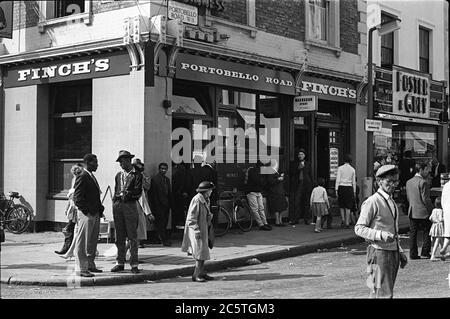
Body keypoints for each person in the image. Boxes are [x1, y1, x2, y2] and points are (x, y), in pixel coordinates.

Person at [355, 165, 408, 298]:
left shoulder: (391, 201)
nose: (393, 185)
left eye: (395, 181)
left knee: (380, 292)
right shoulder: (372, 201)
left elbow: (392, 229)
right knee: (383, 293)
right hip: (378, 253)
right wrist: (381, 235)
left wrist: (399, 250)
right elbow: (359, 228)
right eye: (389, 181)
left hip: (392, 252)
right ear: (379, 182)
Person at [73, 154, 105, 277]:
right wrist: (87, 211)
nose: (97, 164)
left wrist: (99, 209)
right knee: (83, 242)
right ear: (88, 163)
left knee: (92, 241)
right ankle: (81, 268)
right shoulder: (82, 176)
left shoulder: (91, 176)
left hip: (94, 213)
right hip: (87, 214)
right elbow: (77, 198)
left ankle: (90, 265)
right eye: (95, 162)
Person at [111, 150, 143, 274]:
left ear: (129, 161)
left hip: (130, 206)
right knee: (119, 236)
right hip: (118, 205)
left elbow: (138, 192)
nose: (121, 164)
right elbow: (115, 190)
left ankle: (134, 264)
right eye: (120, 162)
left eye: (122, 161)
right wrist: (115, 200)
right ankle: (119, 262)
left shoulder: (137, 175)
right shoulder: (118, 175)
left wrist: (127, 194)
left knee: (132, 237)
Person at [181, 181, 215, 283]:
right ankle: (196, 275)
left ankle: (202, 272)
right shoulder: (197, 200)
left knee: (203, 252)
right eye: (210, 190)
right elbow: (191, 218)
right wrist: (196, 230)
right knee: (200, 254)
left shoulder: (206, 199)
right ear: (206, 191)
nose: (211, 192)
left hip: (203, 229)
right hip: (197, 230)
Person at [405, 162, 433, 259]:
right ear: (420, 170)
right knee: (427, 232)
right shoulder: (423, 182)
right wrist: (432, 209)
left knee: (413, 233)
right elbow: (426, 199)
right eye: (426, 170)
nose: (428, 172)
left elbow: (408, 198)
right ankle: (425, 252)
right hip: (423, 211)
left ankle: (412, 253)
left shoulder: (409, 182)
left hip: (413, 211)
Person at [55, 163, 84, 255]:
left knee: (70, 229)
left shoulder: (81, 179)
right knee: (73, 229)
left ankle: (67, 249)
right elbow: (71, 196)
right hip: (72, 208)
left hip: (77, 208)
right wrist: (67, 206)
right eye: (74, 173)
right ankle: (68, 249)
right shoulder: (74, 180)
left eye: (76, 173)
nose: (75, 175)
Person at [149, 162, 173, 246]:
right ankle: (163, 239)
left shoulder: (167, 179)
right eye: (162, 169)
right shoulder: (155, 179)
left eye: (165, 169)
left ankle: (160, 238)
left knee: (165, 222)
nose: (164, 170)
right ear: (159, 169)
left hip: (166, 204)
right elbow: (153, 194)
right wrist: (155, 205)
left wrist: (170, 203)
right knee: (160, 223)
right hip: (158, 205)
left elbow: (169, 192)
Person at [132, 158, 153, 248]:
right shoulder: (133, 177)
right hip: (134, 204)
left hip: (140, 204)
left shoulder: (143, 176)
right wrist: (149, 213)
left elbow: (147, 186)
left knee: (139, 227)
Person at [245, 161, 272, 231]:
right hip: (252, 192)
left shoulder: (257, 171)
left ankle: (264, 223)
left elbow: (261, 181)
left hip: (257, 191)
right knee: (256, 209)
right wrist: (263, 181)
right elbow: (259, 181)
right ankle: (261, 224)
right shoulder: (253, 171)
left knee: (260, 208)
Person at [290, 149, 313, 225]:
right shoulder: (295, 163)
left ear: (304, 155)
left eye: (302, 154)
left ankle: (307, 219)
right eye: (299, 154)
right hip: (298, 184)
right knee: (297, 202)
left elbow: (310, 174)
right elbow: (292, 173)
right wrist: (299, 168)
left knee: (306, 202)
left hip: (306, 184)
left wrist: (312, 185)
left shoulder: (308, 163)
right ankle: (296, 219)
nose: (300, 156)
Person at [335, 154, 356, 229]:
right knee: (348, 206)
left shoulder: (340, 168)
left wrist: (336, 189)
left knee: (341, 205)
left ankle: (343, 220)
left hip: (341, 187)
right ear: (350, 161)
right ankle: (347, 222)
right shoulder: (352, 169)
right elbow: (354, 182)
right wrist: (354, 191)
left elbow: (338, 179)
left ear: (343, 160)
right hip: (349, 188)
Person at [264, 159, 287, 226]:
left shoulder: (278, 171)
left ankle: (281, 220)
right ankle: (277, 221)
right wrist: (278, 179)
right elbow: (270, 181)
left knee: (281, 206)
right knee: (276, 206)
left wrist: (282, 177)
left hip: (280, 191)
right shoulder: (269, 171)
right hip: (273, 191)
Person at [172, 162, 191, 229]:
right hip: (176, 191)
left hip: (178, 191)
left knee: (178, 208)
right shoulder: (177, 168)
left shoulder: (181, 169)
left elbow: (183, 180)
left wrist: (182, 190)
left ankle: (177, 222)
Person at [439, 180, 450, 260]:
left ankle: (445, 247)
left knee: (448, 232)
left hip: (447, 211)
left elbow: (442, 200)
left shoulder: (446, 185)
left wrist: (444, 209)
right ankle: (447, 252)